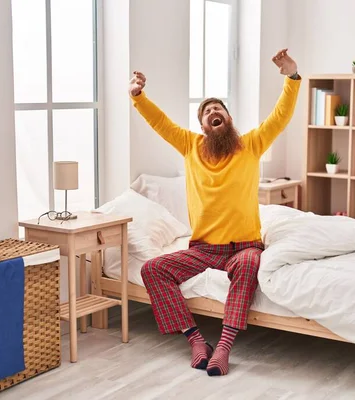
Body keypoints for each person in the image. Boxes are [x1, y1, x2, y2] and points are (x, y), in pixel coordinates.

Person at [129, 48, 301, 376]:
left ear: (228, 118)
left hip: (243, 247)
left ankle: (223, 347)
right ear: (204, 125)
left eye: (217, 107)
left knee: (250, 264)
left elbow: (280, 116)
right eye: (206, 111)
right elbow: (160, 123)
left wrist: (292, 77)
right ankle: (196, 340)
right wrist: (138, 96)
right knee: (152, 269)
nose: (212, 111)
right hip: (204, 249)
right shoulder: (190, 146)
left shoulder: (251, 144)